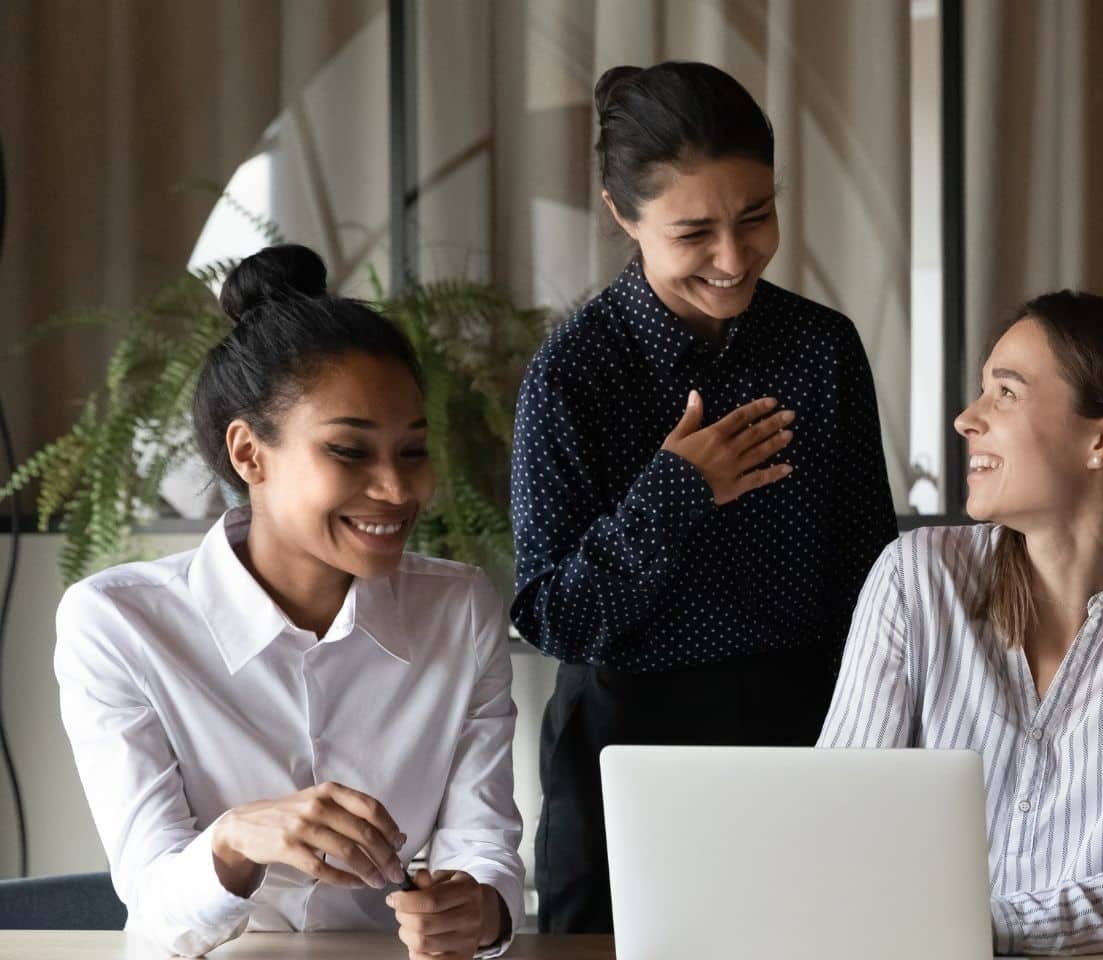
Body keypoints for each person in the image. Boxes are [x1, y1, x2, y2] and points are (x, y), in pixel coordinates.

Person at [509, 60, 897, 933]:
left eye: (756, 218)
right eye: (694, 233)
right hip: (624, 744)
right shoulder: (572, 376)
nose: (733, 258)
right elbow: (551, 617)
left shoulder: (820, 348)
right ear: (623, 217)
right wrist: (676, 492)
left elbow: (870, 574)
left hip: (805, 735)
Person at [54, 244, 523, 959]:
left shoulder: (458, 610)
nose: (398, 491)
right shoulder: (119, 624)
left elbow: (482, 843)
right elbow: (155, 910)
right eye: (349, 451)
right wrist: (238, 838)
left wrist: (479, 911)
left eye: (413, 451)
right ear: (249, 454)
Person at [820, 291, 1103, 956]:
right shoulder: (916, 578)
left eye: (1006, 392)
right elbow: (837, 823)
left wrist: (981, 928)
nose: (967, 419)